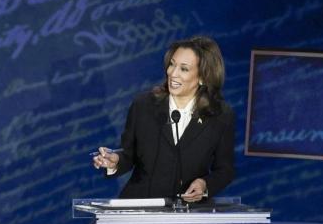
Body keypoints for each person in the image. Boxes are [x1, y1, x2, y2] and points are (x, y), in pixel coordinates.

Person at [92, 36, 235, 202]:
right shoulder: (144, 105)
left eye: (184, 69)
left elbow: (225, 170)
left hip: (187, 214)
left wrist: (204, 185)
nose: (172, 73)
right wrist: (115, 161)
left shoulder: (220, 116)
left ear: (203, 76)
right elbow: (129, 155)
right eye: (172, 64)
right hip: (139, 207)